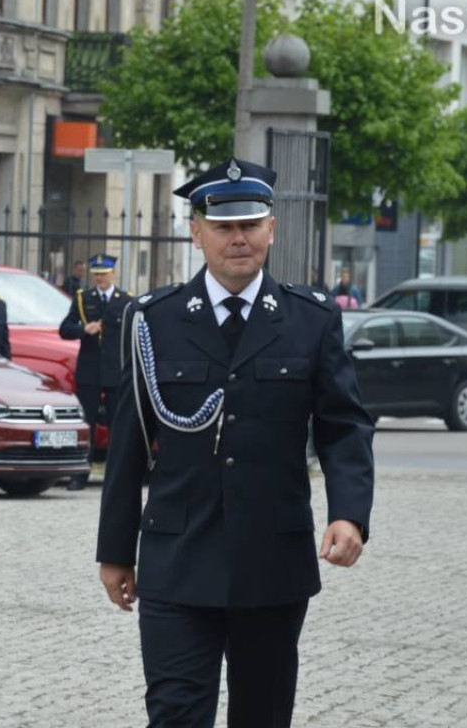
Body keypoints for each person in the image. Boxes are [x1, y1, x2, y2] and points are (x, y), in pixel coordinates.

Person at [96, 157, 375, 728]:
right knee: (175, 714)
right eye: (223, 226)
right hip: (177, 558)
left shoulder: (310, 319)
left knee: (262, 716)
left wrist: (349, 513)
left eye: (249, 224)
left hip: (271, 561)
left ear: (271, 229)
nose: (238, 238)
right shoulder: (153, 320)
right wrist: (115, 550)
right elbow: (128, 444)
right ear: (196, 232)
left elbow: (343, 425)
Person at [60, 253, 132, 491]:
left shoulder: (126, 300)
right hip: (90, 371)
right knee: (87, 423)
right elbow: (64, 329)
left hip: (115, 371)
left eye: (104, 274)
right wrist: (83, 329)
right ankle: (81, 473)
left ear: (113, 273)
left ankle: (116, 474)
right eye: (97, 274)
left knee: (116, 424)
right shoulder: (83, 299)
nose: (100, 278)